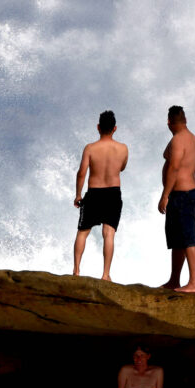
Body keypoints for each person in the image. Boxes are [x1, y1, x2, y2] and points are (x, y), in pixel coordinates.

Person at [73, 109, 128, 281]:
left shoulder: (90, 148)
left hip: (94, 193)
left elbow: (82, 172)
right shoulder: (123, 148)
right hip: (113, 193)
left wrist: (78, 195)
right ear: (115, 128)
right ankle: (105, 274)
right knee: (109, 233)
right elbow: (122, 167)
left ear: (98, 127)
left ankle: (76, 270)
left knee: (83, 232)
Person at [158, 104, 195, 292]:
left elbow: (174, 167)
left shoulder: (179, 140)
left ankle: (194, 283)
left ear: (169, 122)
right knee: (177, 240)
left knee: (188, 238)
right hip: (185, 193)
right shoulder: (190, 138)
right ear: (185, 121)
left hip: (183, 194)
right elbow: (168, 156)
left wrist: (164, 195)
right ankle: (174, 280)